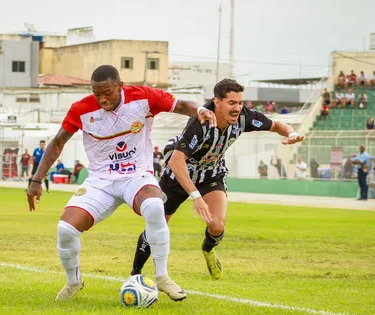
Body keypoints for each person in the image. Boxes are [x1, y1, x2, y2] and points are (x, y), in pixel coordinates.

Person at [26, 64, 217, 301]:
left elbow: (180, 105)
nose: (102, 99)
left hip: (136, 176)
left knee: (155, 207)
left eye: (108, 93)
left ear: (120, 86)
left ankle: (162, 276)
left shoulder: (143, 97)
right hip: (100, 181)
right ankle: (73, 282)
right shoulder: (81, 109)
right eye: (97, 94)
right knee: (65, 230)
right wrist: (36, 179)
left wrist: (199, 110)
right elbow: (57, 143)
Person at [130, 79, 303, 280]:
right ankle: (135, 274)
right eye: (232, 103)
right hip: (179, 172)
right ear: (217, 102)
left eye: (240, 102)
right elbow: (177, 161)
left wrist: (292, 133)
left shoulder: (244, 117)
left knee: (217, 226)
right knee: (157, 225)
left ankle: (208, 249)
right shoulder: (201, 121)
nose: (238, 108)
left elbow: (276, 125)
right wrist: (195, 196)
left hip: (212, 172)